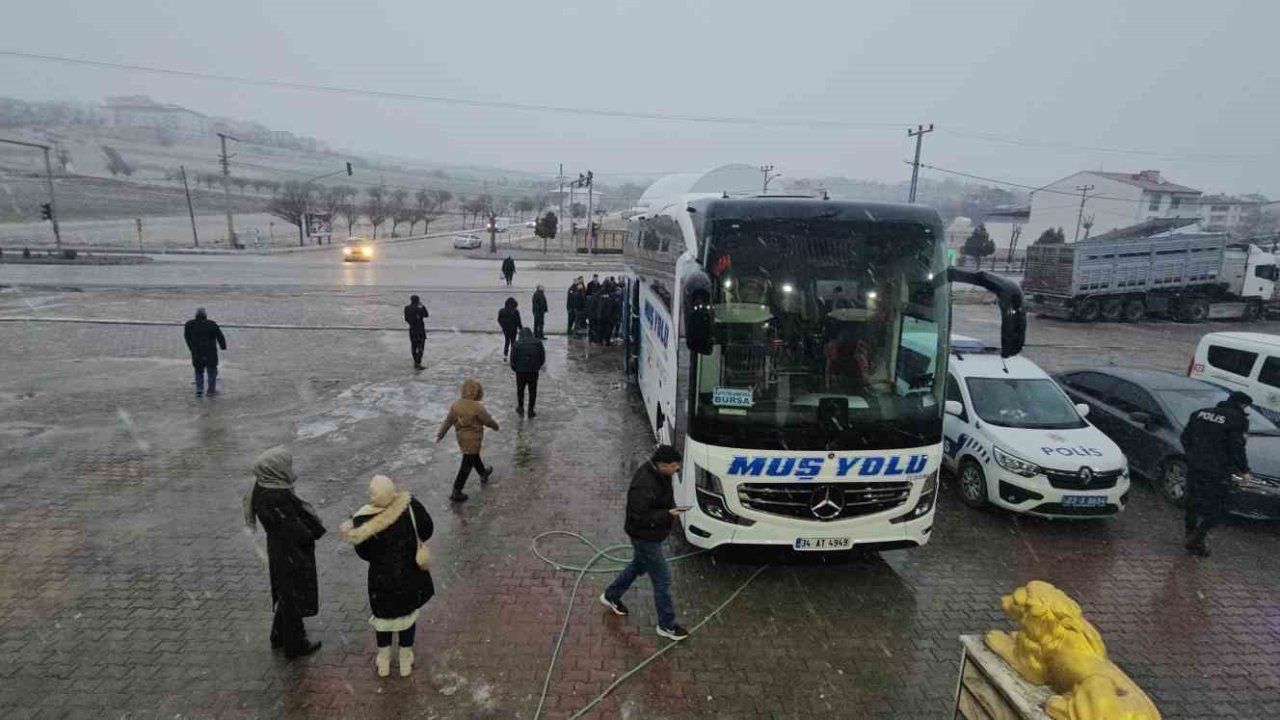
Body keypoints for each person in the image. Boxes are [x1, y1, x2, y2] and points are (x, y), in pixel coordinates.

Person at [341, 475, 435, 677]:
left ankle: (383, 661)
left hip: (380, 580)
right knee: (407, 617)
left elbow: (363, 553)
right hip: (408, 574)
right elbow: (427, 529)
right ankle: (405, 660)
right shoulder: (409, 506)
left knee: (383, 618)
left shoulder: (362, 519)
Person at [599, 445, 690, 641]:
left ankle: (611, 595)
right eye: (674, 466)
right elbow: (639, 515)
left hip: (651, 534)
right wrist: (667, 515)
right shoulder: (644, 484)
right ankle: (667, 625)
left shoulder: (661, 474)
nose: (677, 469)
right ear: (662, 465)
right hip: (644, 536)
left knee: (638, 566)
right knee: (663, 579)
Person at [244, 447, 325, 659]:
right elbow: (293, 528)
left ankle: (279, 635)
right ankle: (295, 645)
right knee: (293, 597)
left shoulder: (265, 486)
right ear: (275, 469)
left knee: (286, 593)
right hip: (290, 553)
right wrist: (311, 532)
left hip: (280, 550)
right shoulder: (275, 496)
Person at [1180, 390, 1253, 557]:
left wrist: (1193, 455)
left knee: (1192, 501)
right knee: (1218, 506)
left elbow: (1185, 437)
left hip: (1195, 466)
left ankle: (1190, 535)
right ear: (1242, 405)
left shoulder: (1199, 413)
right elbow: (1237, 448)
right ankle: (1197, 538)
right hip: (1218, 470)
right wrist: (1245, 470)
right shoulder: (1238, 420)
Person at [435, 378, 499, 502]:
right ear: (477, 392)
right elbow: (487, 420)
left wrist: (440, 434)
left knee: (473, 456)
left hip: (462, 439)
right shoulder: (477, 407)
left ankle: (483, 473)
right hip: (474, 439)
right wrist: (495, 426)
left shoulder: (456, 405)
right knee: (467, 464)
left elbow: (448, 421)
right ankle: (456, 490)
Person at [184, 307, 227, 397]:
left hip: (197, 351)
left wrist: (191, 347)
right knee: (211, 371)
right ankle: (211, 391)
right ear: (205, 315)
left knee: (198, 370)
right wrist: (223, 346)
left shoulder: (190, 324)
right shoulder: (212, 324)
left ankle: (199, 390)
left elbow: (187, 337)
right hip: (210, 351)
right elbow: (220, 336)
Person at [509, 327, 546, 418]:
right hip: (533, 370)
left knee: (520, 390)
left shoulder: (516, 344)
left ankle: (521, 407)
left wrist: (515, 368)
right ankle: (531, 410)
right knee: (532, 391)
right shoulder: (538, 343)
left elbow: (512, 359)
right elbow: (542, 358)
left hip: (520, 372)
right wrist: (537, 366)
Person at [404, 295, 429, 369]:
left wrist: (412, 323)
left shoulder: (407, 308)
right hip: (420, 330)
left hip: (412, 329)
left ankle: (416, 362)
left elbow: (406, 319)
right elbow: (426, 315)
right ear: (418, 300)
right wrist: (422, 306)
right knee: (421, 347)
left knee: (413, 347)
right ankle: (418, 363)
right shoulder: (419, 308)